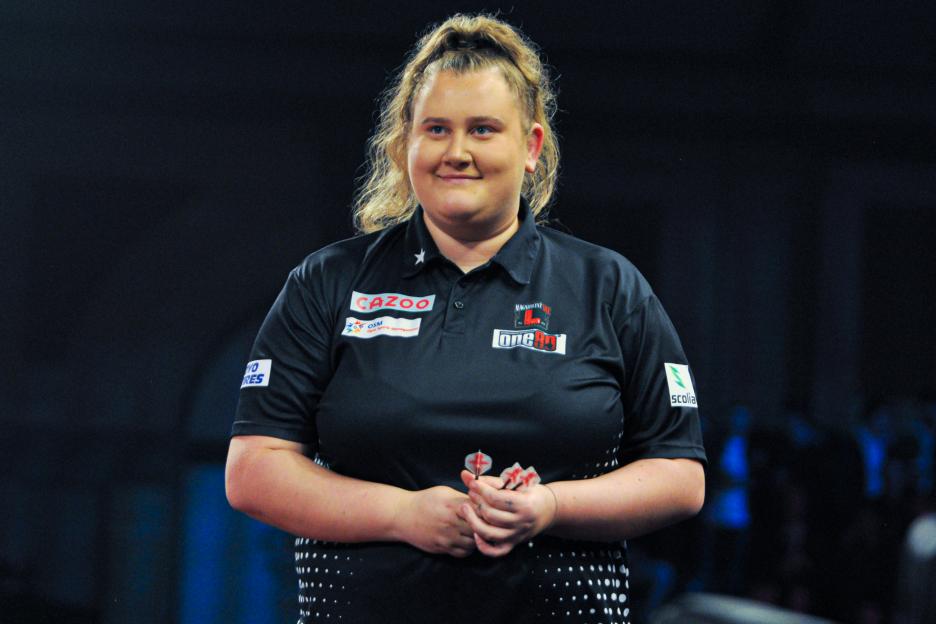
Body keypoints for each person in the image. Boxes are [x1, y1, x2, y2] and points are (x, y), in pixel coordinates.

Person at [225, 13, 706, 624]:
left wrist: (550, 506)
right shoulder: (328, 282)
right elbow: (253, 471)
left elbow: (679, 475)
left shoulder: (608, 286)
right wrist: (401, 515)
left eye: (482, 130)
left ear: (530, 147)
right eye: (436, 130)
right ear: (407, 144)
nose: (457, 153)